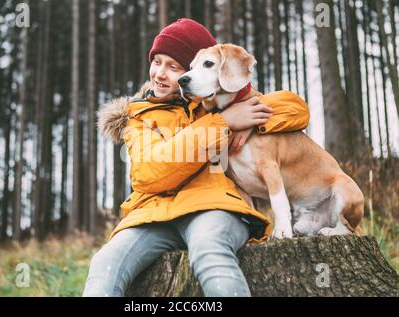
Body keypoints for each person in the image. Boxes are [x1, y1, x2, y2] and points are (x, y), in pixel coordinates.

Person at [83, 18, 309, 297]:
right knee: (105, 263)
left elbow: (296, 109)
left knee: (209, 249)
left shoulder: (214, 100)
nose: (160, 74)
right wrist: (223, 123)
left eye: (173, 67)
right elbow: (150, 172)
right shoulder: (138, 117)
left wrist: (255, 120)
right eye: (157, 62)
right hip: (153, 216)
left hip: (215, 205)